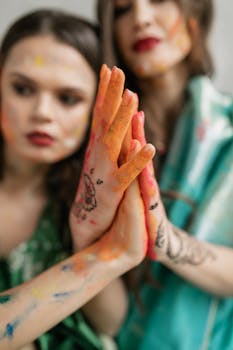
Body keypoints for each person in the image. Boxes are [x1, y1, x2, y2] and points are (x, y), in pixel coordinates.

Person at [0, 9, 155, 350]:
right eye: (23, 89)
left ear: (96, 110)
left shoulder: (89, 197)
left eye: (68, 99)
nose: (42, 112)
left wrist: (89, 242)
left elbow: (111, 322)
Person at [96, 0, 233, 349]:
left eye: (157, 0)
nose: (140, 18)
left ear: (194, 16)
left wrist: (166, 239)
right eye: (123, 9)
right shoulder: (96, 139)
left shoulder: (226, 134)